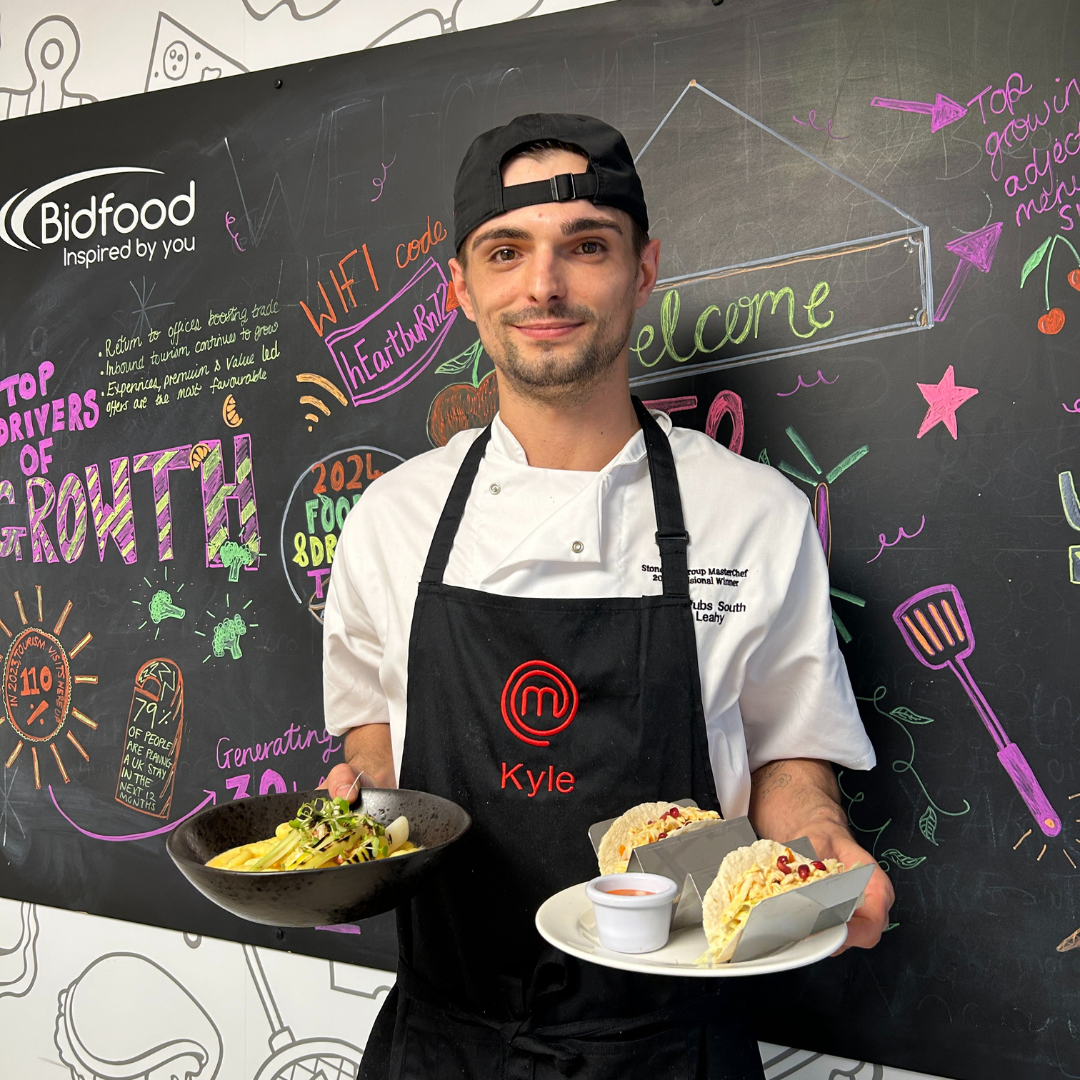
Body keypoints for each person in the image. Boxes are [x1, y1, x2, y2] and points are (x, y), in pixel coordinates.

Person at [322, 113, 894, 1080]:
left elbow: (790, 761)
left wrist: (820, 844)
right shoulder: (391, 518)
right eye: (507, 252)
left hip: (672, 1045)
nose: (543, 286)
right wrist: (358, 805)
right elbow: (373, 729)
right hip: (440, 1040)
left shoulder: (752, 513)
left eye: (586, 246)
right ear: (461, 288)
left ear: (643, 268)